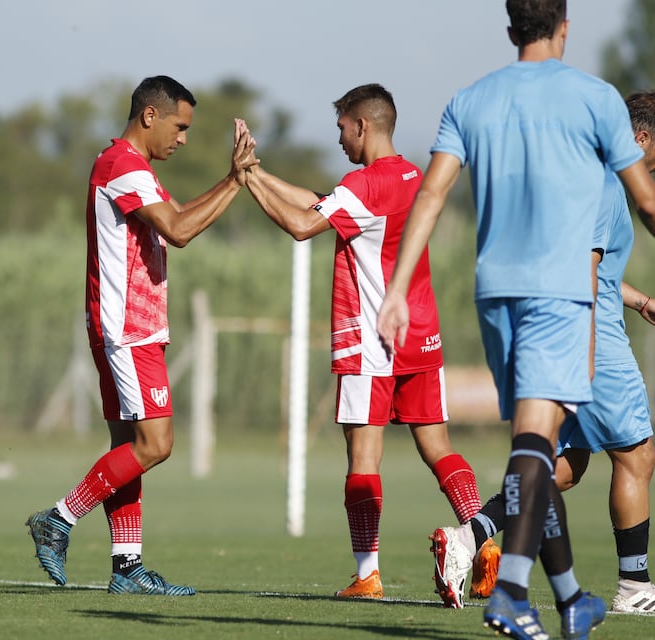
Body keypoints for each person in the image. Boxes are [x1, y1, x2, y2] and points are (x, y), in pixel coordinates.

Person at [376, 1, 655, 638]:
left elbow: (433, 194)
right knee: (544, 444)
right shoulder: (595, 98)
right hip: (560, 293)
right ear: (564, 26)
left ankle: (568, 596)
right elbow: (644, 200)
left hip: (495, 290)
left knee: (544, 451)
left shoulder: (469, 99)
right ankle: (508, 589)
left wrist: (396, 290)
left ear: (509, 31)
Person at [234, 84, 497, 600]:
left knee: (362, 459)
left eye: (341, 129)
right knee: (437, 446)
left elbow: (301, 224)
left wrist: (245, 183)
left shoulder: (365, 182)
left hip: (370, 338)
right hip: (420, 333)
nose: (339, 139)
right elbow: (322, 203)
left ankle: (367, 573)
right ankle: (481, 541)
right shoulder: (411, 176)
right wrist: (258, 174)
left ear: (362, 125)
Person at [26, 75, 256, 596]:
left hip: (127, 327)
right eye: (180, 126)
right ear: (149, 116)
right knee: (157, 443)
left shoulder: (135, 170)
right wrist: (233, 180)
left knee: (127, 446)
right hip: (127, 329)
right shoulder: (122, 167)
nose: (183, 138)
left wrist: (234, 181)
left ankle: (127, 567)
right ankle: (58, 519)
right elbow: (178, 229)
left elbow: (176, 226)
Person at [432, 89, 655, 616]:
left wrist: (640, 299)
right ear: (640, 138)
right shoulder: (606, 185)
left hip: (579, 330)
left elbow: (595, 271)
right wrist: (587, 355)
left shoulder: (583, 178)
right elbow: (582, 268)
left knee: (566, 466)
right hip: (592, 340)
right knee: (638, 455)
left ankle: (466, 541)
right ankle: (635, 586)